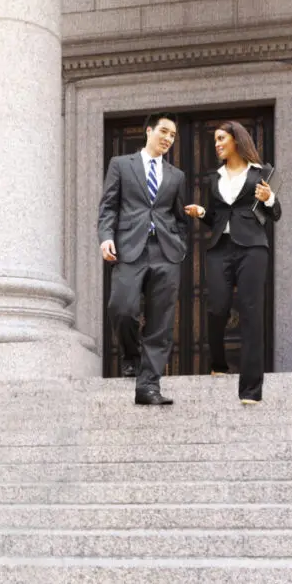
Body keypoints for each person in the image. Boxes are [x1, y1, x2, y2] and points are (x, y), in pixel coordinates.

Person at [98, 112, 191, 406]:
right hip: (129, 248)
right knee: (121, 308)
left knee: (161, 321)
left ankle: (148, 385)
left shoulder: (177, 176)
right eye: (163, 131)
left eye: (173, 135)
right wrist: (106, 236)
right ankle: (130, 354)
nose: (167, 138)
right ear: (148, 131)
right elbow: (109, 206)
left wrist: (180, 244)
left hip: (165, 252)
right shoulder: (121, 165)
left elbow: (179, 218)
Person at [183, 120, 279, 405]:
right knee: (217, 308)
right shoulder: (214, 178)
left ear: (237, 140)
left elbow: (275, 214)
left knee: (251, 314)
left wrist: (269, 197)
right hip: (220, 249)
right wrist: (202, 213)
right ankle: (219, 364)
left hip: (252, 248)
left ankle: (250, 390)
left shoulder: (261, 173)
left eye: (221, 138)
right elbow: (216, 217)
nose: (217, 144)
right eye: (214, 140)